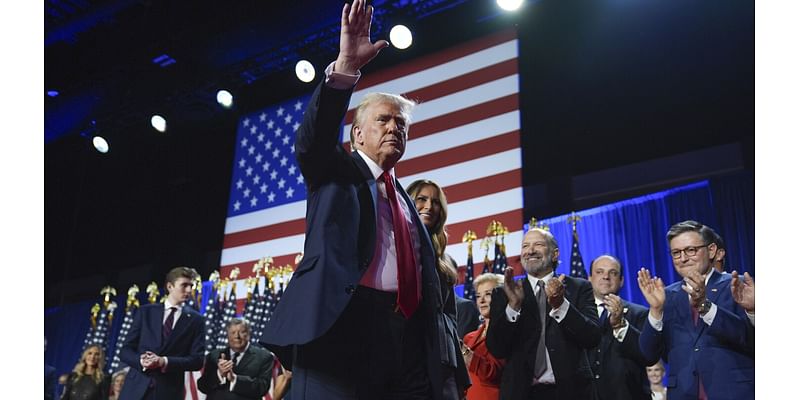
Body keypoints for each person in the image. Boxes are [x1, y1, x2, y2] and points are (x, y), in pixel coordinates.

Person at [259, 1, 462, 399]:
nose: (393, 128)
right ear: (357, 136)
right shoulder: (335, 171)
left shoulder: (407, 201)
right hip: (340, 327)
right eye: (383, 120)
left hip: (402, 338)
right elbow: (312, 141)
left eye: (400, 123)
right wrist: (345, 71)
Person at [637, 220, 754, 399]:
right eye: (676, 253)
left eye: (691, 250)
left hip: (732, 392)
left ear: (712, 250)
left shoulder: (736, 287)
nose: (683, 258)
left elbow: (750, 340)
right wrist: (655, 311)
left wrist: (704, 307)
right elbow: (648, 356)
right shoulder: (665, 295)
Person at [486, 228, 601, 400]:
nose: (530, 250)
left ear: (555, 255)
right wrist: (513, 307)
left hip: (571, 393)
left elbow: (592, 337)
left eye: (538, 244)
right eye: (525, 246)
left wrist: (561, 305)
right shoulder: (505, 293)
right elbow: (497, 348)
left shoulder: (579, 288)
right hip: (521, 393)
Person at [407, 178, 471, 395]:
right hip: (411, 357)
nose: (429, 206)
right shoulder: (396, 247)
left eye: (435, 202)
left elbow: (451, 315)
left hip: (445, 361)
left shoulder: (443, 260)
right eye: (421, 199)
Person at [118, 267, 205, 400]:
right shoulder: (145, 312)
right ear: (170, 286)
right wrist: (141, 361)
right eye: (184, 285)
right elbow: (125, 350)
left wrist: (163, 361)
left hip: (168, 392)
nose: (189, 290)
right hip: (135, 390)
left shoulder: (196, 320)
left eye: (191, 286)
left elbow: (197, 360)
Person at [586, 255, 650, 400]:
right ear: (589, 278)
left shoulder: (639, 314)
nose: (606, 277)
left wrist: (620, 325)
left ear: (621, 281)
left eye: (613, 273)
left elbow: (646, 355)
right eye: (599, 272)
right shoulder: (579, 313)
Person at [197, 318, 274, 399]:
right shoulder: (214, 355)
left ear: (248, 334)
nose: (237, 336)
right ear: (227, 335)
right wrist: (219, 374)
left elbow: (262, 388)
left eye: (241, 332)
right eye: (233, 332)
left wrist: (235, 379)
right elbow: (202, 386)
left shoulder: (263, 357)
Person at [462, 273, 505, 400]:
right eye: (478, 296)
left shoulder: (507, 333)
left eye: (487, 294)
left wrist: (464, 352)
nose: (481, 301)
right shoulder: (469, 338)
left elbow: (492, 373)